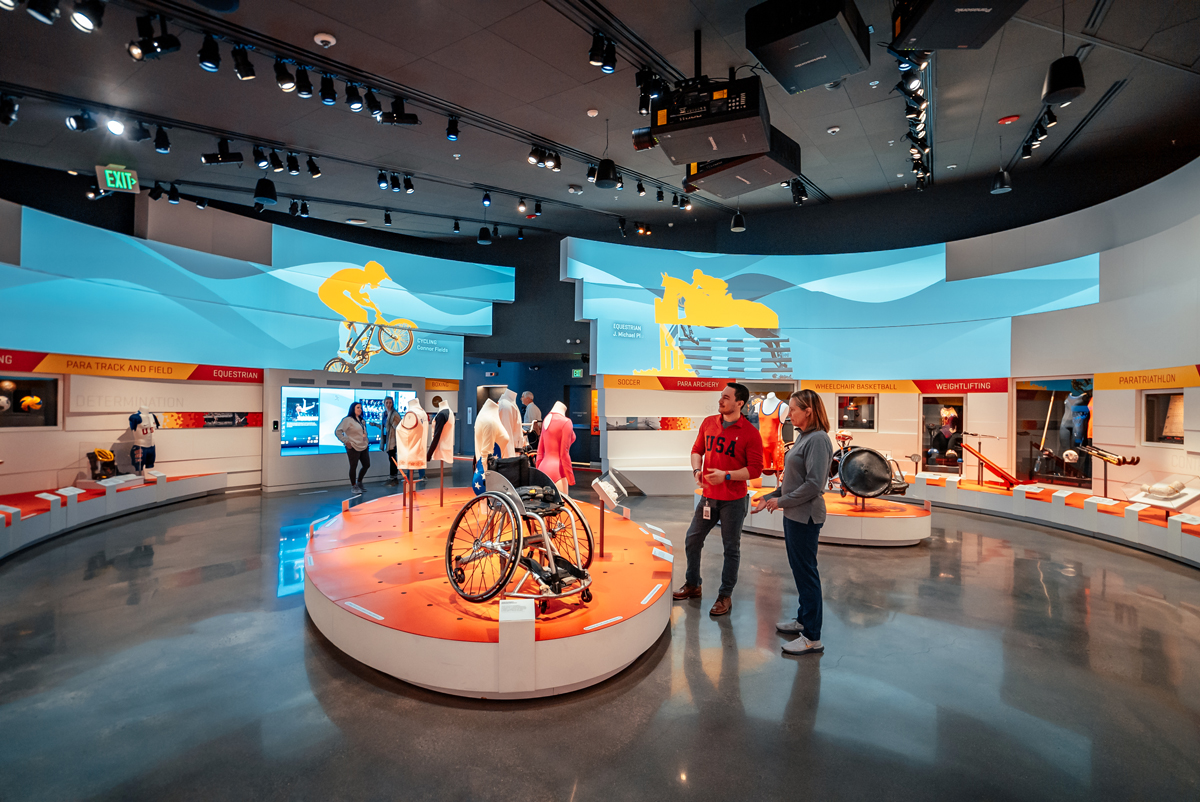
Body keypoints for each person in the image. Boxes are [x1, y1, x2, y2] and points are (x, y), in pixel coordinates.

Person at [753, 389, 833, 656]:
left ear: (808, 411)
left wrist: (782, 501)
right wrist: (769, 496)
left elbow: (814, 484)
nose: (789, 415)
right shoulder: (804, 438)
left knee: (807, 574)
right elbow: (792, 481)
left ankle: (812, 637)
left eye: (794, 410)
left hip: (805, 517)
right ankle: (803, 619)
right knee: (800, 572)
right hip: (794, 516)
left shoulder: (818, 440)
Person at [673, 382, 763, 616]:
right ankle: (693, 584)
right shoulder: (708, 423)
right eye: (720, 397)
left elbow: (755, 470)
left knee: (730, 548)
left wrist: (727, 475)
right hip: (708, 499)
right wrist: (696, 471)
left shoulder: (750, 433)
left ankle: (725, 596)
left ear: (739, 403)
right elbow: (696, 450)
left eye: (726, 397)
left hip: (734, 500)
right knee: (692, 539)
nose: (720, 401)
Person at [334, 401, 371, 495]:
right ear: (353, 409)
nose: (360, 409)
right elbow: (338, 431)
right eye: (358, 407)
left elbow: (363, 433)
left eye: (361, 408)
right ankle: (354, 485)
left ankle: (359, 482)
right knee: (353, 466)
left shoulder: (362, 420)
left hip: (364, 446)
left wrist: (366, 441)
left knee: (366, 465)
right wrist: (345, 441)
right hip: (353, 447)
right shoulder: (347, 420)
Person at [377, 396, 402, 486]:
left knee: (393, 460)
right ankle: (393, 478)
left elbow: (398, 427)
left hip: (393, 441)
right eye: (387, 402)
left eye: (390, 403)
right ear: (384, 404)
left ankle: (393, 478)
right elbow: (385, 427)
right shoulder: (385, 414)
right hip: (387, 440)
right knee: (391, 459)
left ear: (392, 404)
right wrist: (376, 425)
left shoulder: (395, 414)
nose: (388, 404)